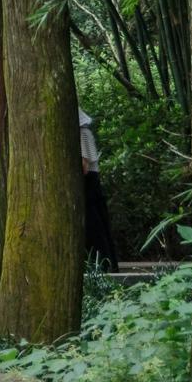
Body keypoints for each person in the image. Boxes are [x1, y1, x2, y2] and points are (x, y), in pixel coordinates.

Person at [79, 108, 120, 271]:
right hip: (90, 182)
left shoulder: (82, 133)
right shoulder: (84, 132)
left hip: (88, 182)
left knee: (94, 225)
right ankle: (104, 264)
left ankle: (102, 265)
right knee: (97, 224)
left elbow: (84, 165)